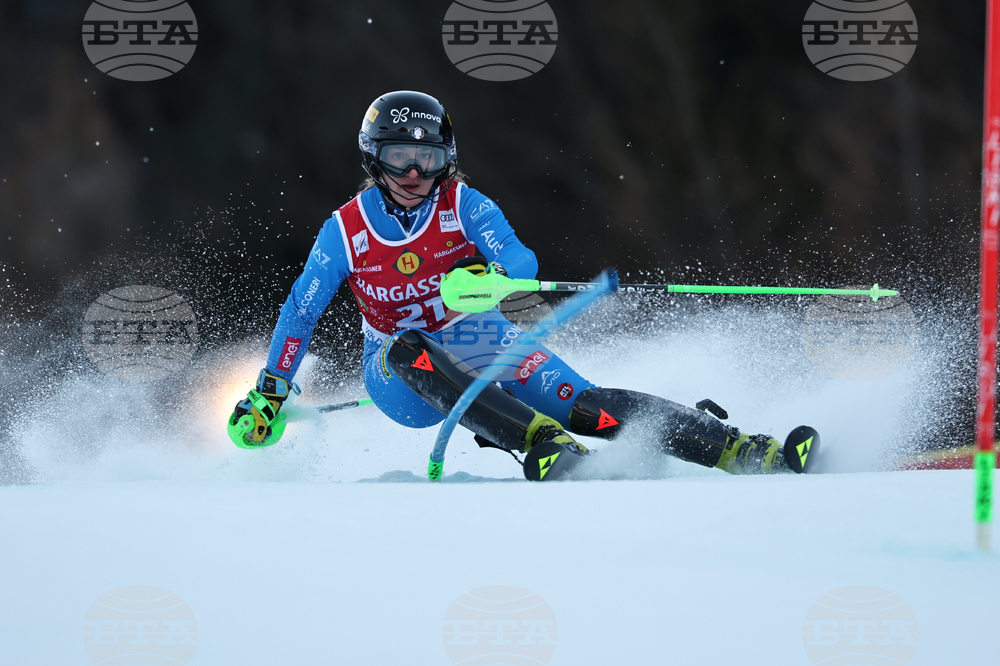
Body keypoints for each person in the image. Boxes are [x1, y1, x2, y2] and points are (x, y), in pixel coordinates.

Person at [228, 90, 819, 480]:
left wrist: (493, 280)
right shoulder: (346, 230)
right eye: (400, 157)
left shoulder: (465, 203)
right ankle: (538, 443)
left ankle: (740, 448)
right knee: (410, 345)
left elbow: (519, 257)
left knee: (587, 407)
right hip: (397, 372)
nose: (414, 174)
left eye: (428, 159)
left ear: (446, 159)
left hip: (477, 335)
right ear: (372, 158)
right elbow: (301, 310)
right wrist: (271, 390)